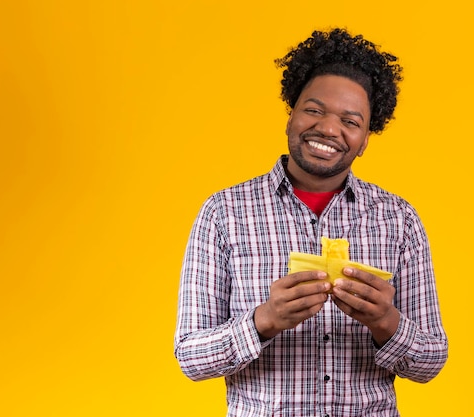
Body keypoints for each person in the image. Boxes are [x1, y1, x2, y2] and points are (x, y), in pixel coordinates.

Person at [174, 28, 448, 417]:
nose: (329, 129)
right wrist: (263, 321)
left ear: (366, 138)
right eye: (314, 110)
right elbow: (190, 358)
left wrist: (386, 323)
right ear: (291, 114)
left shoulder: (398, 220)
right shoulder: (223, 214)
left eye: (350, 121)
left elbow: (430, 362)